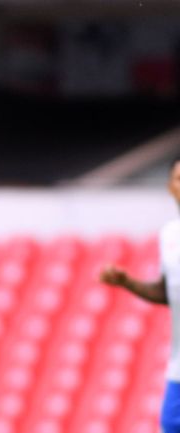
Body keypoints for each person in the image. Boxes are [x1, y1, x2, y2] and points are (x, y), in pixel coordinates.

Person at [100, 157, 180, 433]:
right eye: (179, 179)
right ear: (170, 187)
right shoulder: (169, 236)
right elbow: (167, 291)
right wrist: (128, 282)